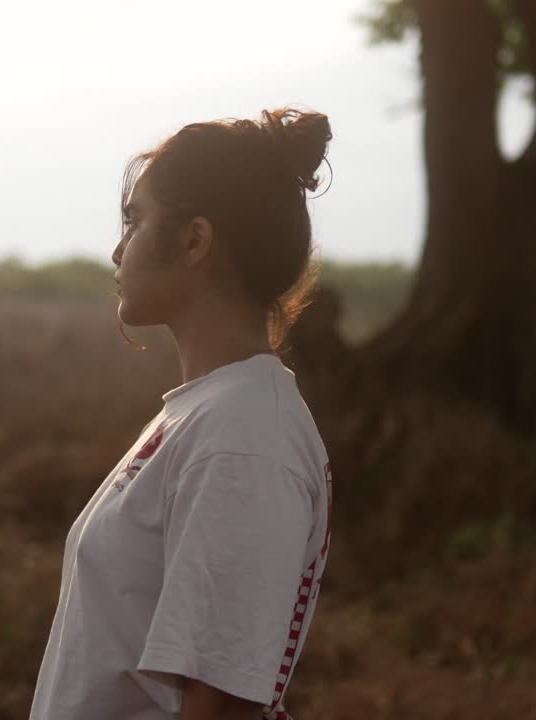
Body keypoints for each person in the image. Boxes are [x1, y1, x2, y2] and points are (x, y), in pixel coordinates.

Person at [28, 108, 335, 720]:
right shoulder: (213, 412)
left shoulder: (245, 438)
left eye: (135, 221)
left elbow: (220, 702)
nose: (118, 251)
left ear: (194, 240)